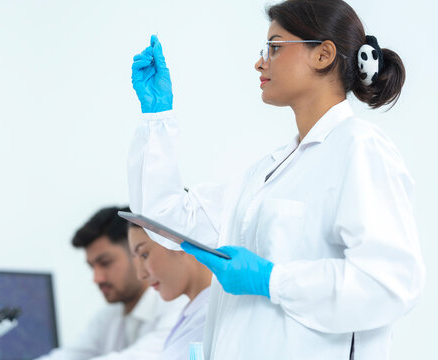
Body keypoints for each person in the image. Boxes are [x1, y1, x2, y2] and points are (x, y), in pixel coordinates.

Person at [128, 1, 425, 359]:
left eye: (275, 47)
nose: (260, 62)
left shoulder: (360, 149)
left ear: (323, 54)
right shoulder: (266, 173)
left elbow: (388, 284)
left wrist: (273, 280)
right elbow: (166, 218)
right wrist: (157, 119)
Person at [36, 206, 186, 360]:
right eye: (92, 267)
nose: (97, 278)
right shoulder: (109, 318)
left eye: (105, 263)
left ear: (136, 253)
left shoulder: (177, 306)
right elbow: (69, 356)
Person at [127, 222, 211, 360]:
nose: (140, 275)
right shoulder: (194, 313)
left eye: (144, 254)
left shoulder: (207, 317)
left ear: (178, 241)